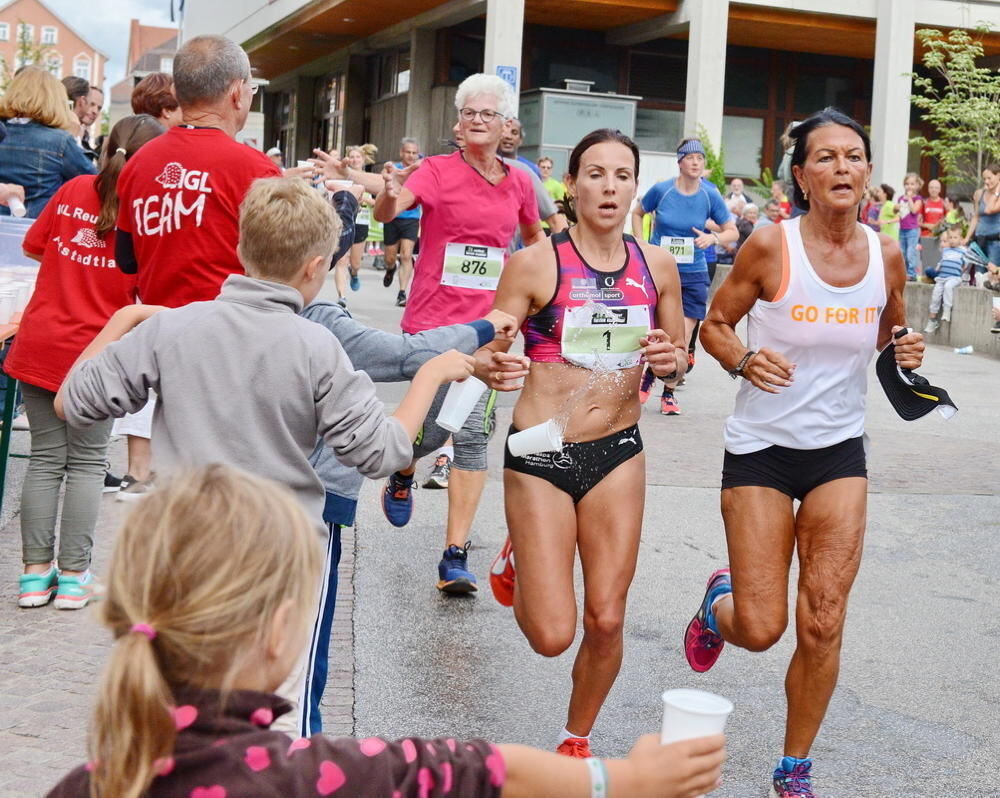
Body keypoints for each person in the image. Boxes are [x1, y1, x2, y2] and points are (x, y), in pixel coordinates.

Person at [57, 176, 474, 729]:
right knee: (279, 719)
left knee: (183, 707)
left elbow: (72, 401)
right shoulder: (316, 346)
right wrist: (430, 374)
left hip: (182, 545)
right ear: (315, 266)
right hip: (280, 553)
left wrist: (123, 319)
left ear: (241, 248)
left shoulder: (174, 328)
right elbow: (381, 452)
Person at [47, 464, 726, 798]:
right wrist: (625, 780)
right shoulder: (312, 777)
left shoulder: (83, 785)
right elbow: (488, 771)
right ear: (281, 628)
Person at [686, 107, 925, 798]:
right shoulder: (770, 245)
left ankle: (794, 767)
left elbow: (892, 331)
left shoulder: (886, 253)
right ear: (802, 175)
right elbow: (716, 324)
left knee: (822, 620)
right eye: (826, 158)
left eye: (853, 156)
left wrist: (905, 348)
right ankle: (716, 606)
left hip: (838, 452)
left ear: (869, 174)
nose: (842, 168)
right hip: (761, 447)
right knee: (762, 629)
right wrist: (746, 359)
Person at [486, 129, 686, 758]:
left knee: (605, 618)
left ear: (634, 188)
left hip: (617, 450)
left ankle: (577, 737)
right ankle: (517, 552)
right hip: (541, 452)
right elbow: (489, 346)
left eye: (622, 175)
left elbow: (679, 361)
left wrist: (670, 358)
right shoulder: (537, 262)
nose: (609, 186)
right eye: (594, 174)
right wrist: (496, 364)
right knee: (551, 634)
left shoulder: (656, 266)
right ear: (570, 185)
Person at [299, 300, 517, 733]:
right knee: (300, 656)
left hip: (218, 502)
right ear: (317, 264)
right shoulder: (318, 322)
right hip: (310, 507)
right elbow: (378, 436)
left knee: (470, 438)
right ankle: (302, 751)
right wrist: (453, 354)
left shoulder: (192, 322)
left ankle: (455, 551)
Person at [373, 72, 543, 593]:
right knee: (432, 429)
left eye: (487, 113)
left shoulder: (518, 180)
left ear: (505, 125)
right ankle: (402, 469)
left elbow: (534, 240)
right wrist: (387, 194)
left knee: (470, 436)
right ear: (458, 122)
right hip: (434, 324)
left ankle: (455, 556)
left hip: (493, 329)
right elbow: (391, 210)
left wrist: (542, 294)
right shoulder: (435, 170)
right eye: (469, 112)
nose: (477, 120)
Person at [111, 34, 285, 500]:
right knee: (230, 486)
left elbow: (125, 258)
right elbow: (286, 268)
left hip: (164, 344)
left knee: (181, 481)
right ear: (236, 92)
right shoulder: (255, 169)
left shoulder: (139, 162)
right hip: (237, 348)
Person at [6, 114, 164, 611]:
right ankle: (73, 577)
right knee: (88, 463)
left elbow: (34, 247)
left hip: (41, 341)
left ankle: (34, 576)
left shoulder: (73, 188)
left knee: (47, 461)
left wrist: (74, 258)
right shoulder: (148, 214)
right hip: (99, 355)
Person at [631, 137, 737, 415]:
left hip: (693, 274)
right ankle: (651, 374)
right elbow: (638, 211)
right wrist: (642, 244)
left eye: (700, 159)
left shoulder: (709, 195)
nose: (695, 162)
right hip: (660, 271)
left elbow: (732, 232)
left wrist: (713, 238)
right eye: (690, 158)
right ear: (680, 162)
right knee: (655, 330)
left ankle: (668, 393)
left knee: (682, 335)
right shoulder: (663, 190)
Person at [0, 66, 95, 218]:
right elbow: (93, 182)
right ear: (53, 99)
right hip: (35, 229)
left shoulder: (2, 131)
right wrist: (75, 138)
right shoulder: (59, 141)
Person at [500, 119, 567, 237]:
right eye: (504, 132)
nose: (508, 137)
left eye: (514, 133)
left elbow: (552, 217)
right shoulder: (480, 165)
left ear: (520, 140)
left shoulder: (528, 170)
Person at [332, 144, 375, 305]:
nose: (355, 160)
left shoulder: (369, 180)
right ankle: (342, 297)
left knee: (355, 263)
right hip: (343, 221)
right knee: (341, 260)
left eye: (358, 157)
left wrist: (361, 198)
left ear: (363, 160)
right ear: (348, 159)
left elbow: (375, 203)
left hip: (361, 222)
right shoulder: (342, 178)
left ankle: (354, 273)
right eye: (352, 157)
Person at [381, 137, 422, 307]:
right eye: (408, 152)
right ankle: (390, 268)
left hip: (411, 218)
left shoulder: (420, 171)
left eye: (414, 153)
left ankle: (402, 292)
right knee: (390, 258)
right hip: (393, 217)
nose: (411, 156)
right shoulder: (394, 170)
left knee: (406, 255)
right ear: (401, 153)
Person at [923, 225, 967, 333]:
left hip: (954, 277)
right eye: (950, 238)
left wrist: (960, 272)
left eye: (955, 238)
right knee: (935, 296)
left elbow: (965, 265)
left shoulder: (962, 251)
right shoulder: (946, 250)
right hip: (942, 278)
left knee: (948, 287)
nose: (952, 240)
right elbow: (942, 262)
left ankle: (947, 310)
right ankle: (932, 320)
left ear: (960, 239)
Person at [963, 163, 1000, 279]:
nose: (986, 182)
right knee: (979, 275)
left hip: (994, 241)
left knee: (992, 275)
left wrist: (997, 191)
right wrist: (967, 238)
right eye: (984, 179)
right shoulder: (981, 193)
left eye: (989, 178)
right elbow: (976, 217)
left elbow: (989, 209)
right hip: (980, 239)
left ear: (998, 176)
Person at [897, 172, 924, 280]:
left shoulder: (917, 199)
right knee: (902, 252)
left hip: (912, 230)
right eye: (907, 184)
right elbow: (898, 212)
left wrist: (909, 199)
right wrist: (896, 208)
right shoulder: (900, 198)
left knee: (910, 252)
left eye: (912, 184)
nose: (909, 186)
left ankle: (912, 274)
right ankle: (904, 272)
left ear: (917, 186)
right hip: (902, 229)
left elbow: (914, 210)